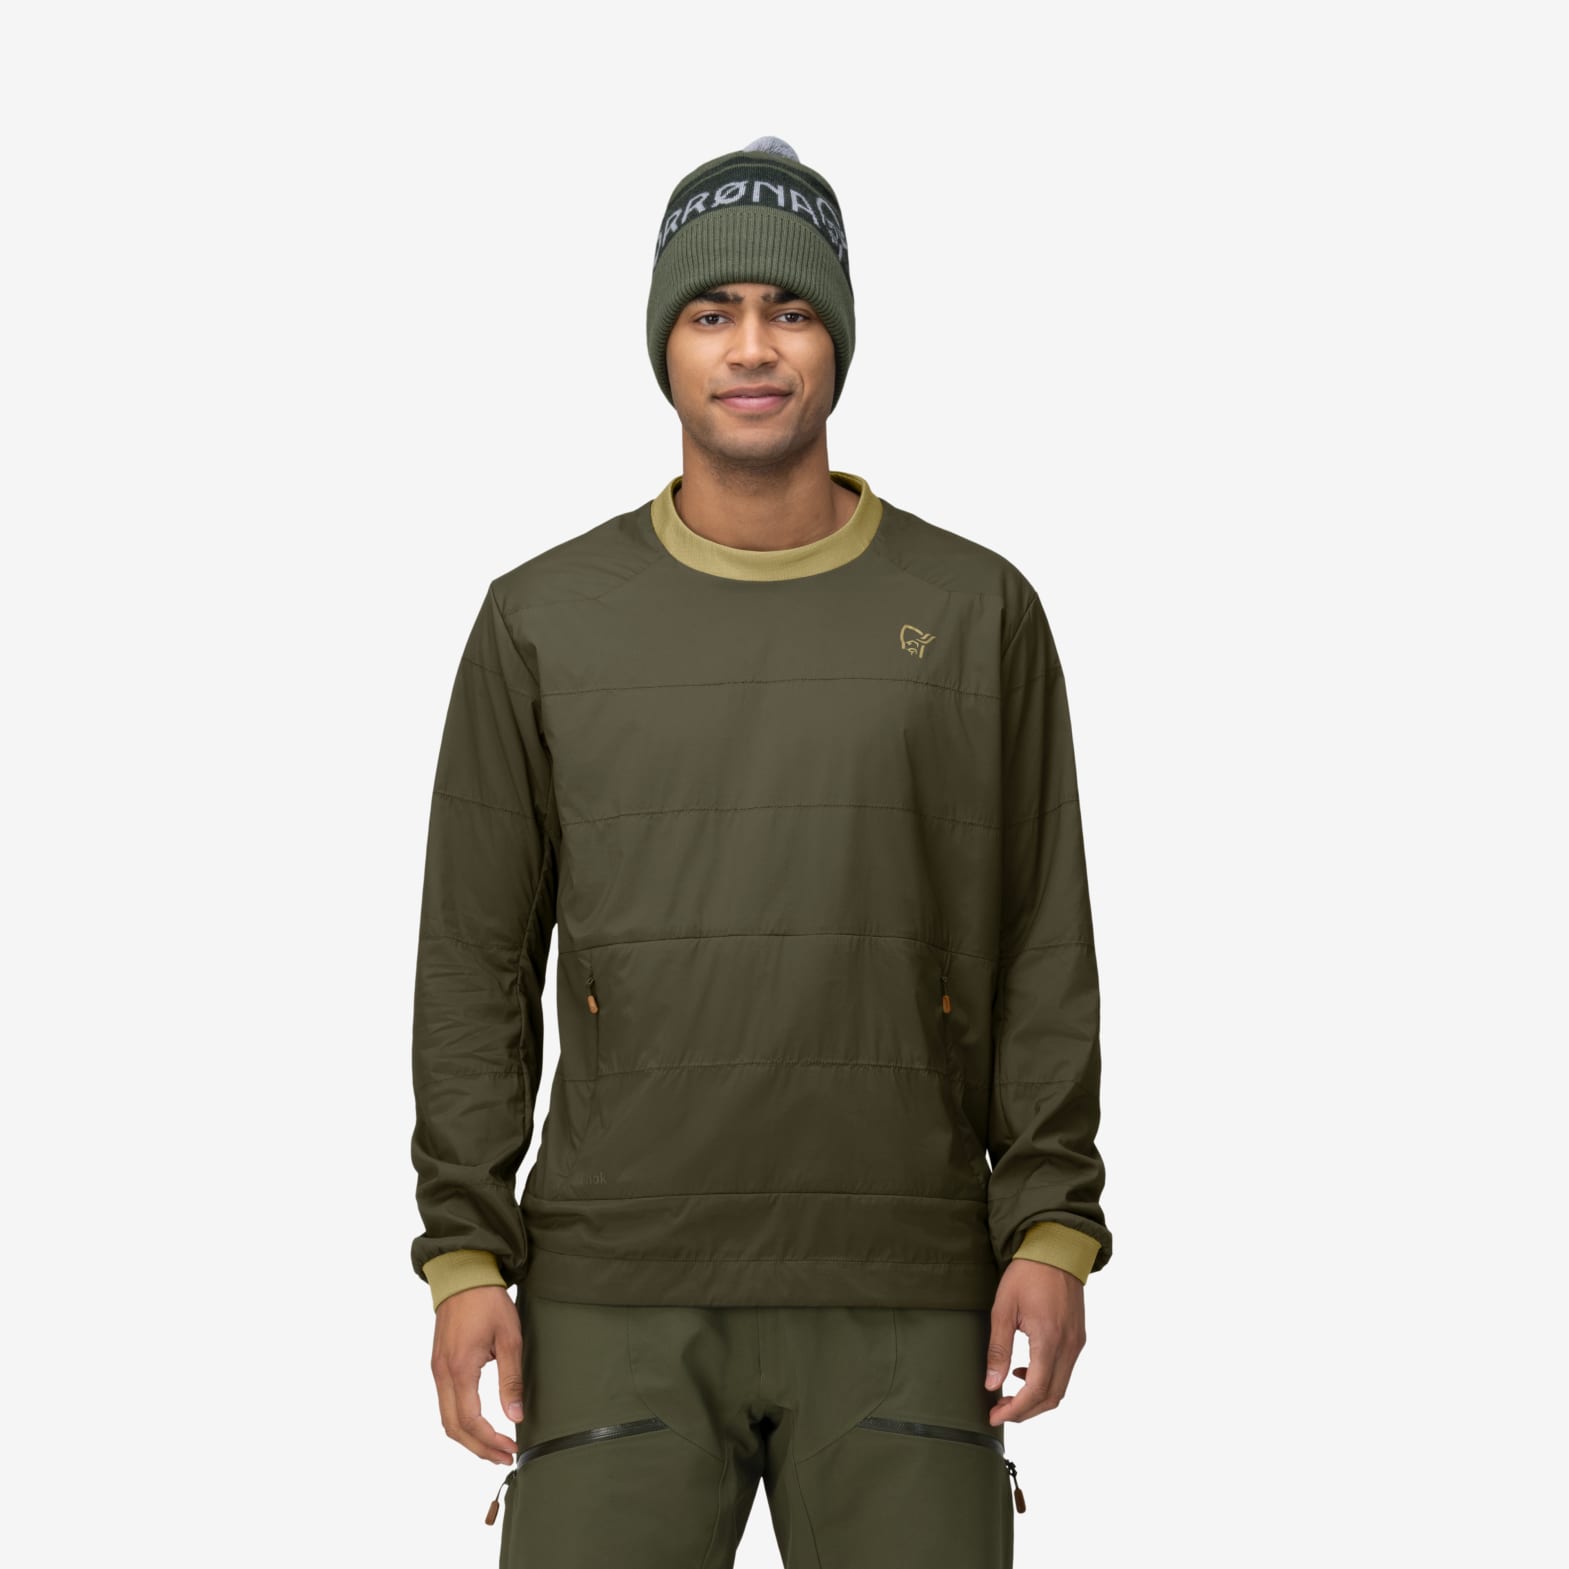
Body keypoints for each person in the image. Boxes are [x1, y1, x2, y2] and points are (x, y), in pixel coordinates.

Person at [409, 135, 1113, 1567]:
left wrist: (1050, 1229)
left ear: (837, 336)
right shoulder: (543, 620)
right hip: (615, 1287)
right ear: (662, 343)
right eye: (710, 310)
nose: (750, 348)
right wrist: (464, 1253)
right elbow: (475, 959)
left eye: (790, 310)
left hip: (908, 1285)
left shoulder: (976, 613)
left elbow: (1043, 941)